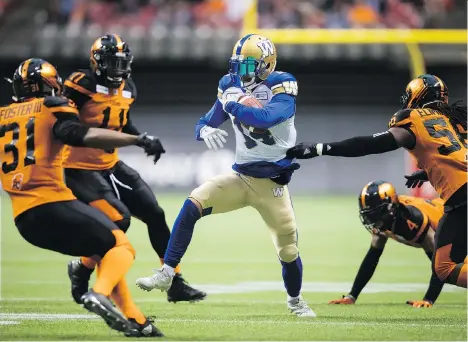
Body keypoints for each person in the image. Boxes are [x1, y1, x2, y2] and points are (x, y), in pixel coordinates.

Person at [136, 34, 316, 317]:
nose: (239, 72)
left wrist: (234, 103)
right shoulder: (230, 84)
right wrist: (205, 130)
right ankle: (167, 272)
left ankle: (295, 301)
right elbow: (205, 121)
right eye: (238, 65)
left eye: (247, 66)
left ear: (266, 65)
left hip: (273, 186)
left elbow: (266, 118)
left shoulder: (282, 83)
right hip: (241, 177)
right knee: (192, 203)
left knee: (288, 250)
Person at [0, 58, 164, 336]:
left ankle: (136, 321)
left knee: (104, 249)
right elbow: (76, 133)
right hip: (53, 204)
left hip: (23, 219)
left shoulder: (3, 114)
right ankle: (98, 293)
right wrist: (134, 140)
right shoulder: (51, 106)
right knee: (122, 247)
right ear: (52, 85)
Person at [62, 34, 206, 304]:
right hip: (78, 167)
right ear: (96, 62)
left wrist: (143, 140)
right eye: (111, 63)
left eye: (121, 63)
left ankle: (173, 281)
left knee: (154, 213)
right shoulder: (81, 84)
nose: (117, 69)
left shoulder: (128, 88)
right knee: (119, 221)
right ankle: (82, 269)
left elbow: (121, 123)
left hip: (111, 164)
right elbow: (65, 124)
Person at [287, 74, 467, 288]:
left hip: (460, 197)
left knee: (444, 267)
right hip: (460, 194)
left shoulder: (414, 118)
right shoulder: (455, 121)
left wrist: (321, 148)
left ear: (417, 95)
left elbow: (371, 144)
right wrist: (429, 171)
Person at [329, 181, 445, 308]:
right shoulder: (386, 219)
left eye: (375, 213)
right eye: (368, 214)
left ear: (391, 207)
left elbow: (441, 263)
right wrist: (352, 296)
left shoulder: (412, 219)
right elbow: (371, 259)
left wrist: (429, 299)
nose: (372, 220)